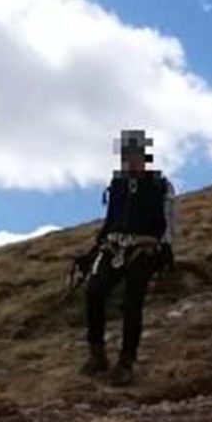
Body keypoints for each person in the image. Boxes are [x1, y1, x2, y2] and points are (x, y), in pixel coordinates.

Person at [81, 128, 176, 384]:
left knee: (132, 303)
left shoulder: (159, 185)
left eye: (134, 155)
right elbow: (111, 219)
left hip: (144, 248)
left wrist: (166, 249)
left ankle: (126, 361)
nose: (130, 161)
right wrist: (95, 249)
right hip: (113, 246)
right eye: (127, 155)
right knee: (94, 292)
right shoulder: (117, 184)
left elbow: (168, 220)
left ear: (144, 156)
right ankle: (97, 354)